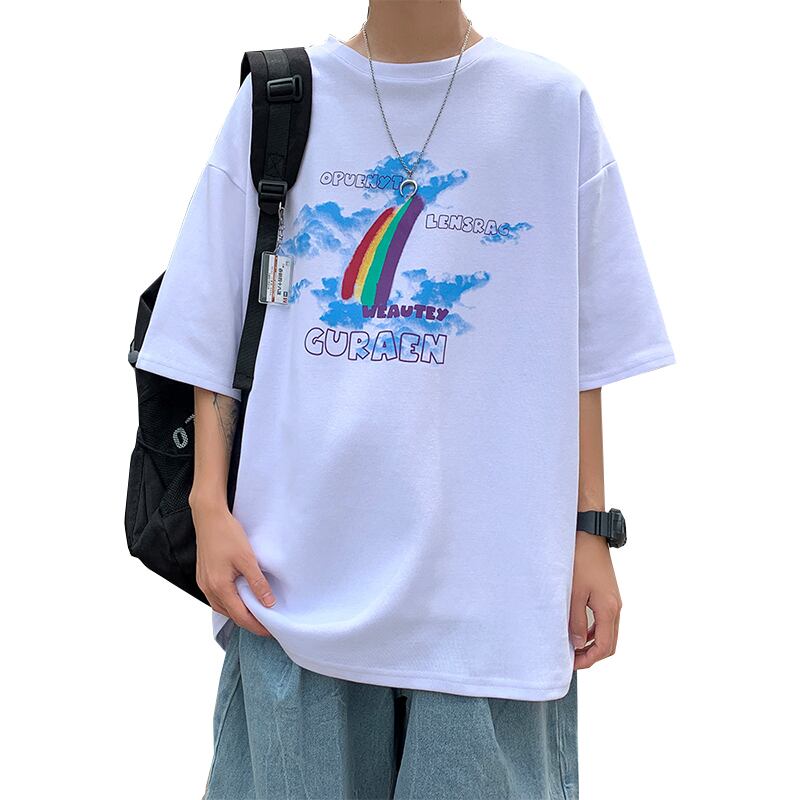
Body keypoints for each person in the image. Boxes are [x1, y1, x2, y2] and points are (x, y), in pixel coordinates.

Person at [135, 1, 675, 797]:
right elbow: (203, 323)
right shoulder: (280, 99)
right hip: (295, 587)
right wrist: (207, 507)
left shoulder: (551, 108)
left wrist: (590, 529)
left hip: (486, 603)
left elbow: (583, 346)